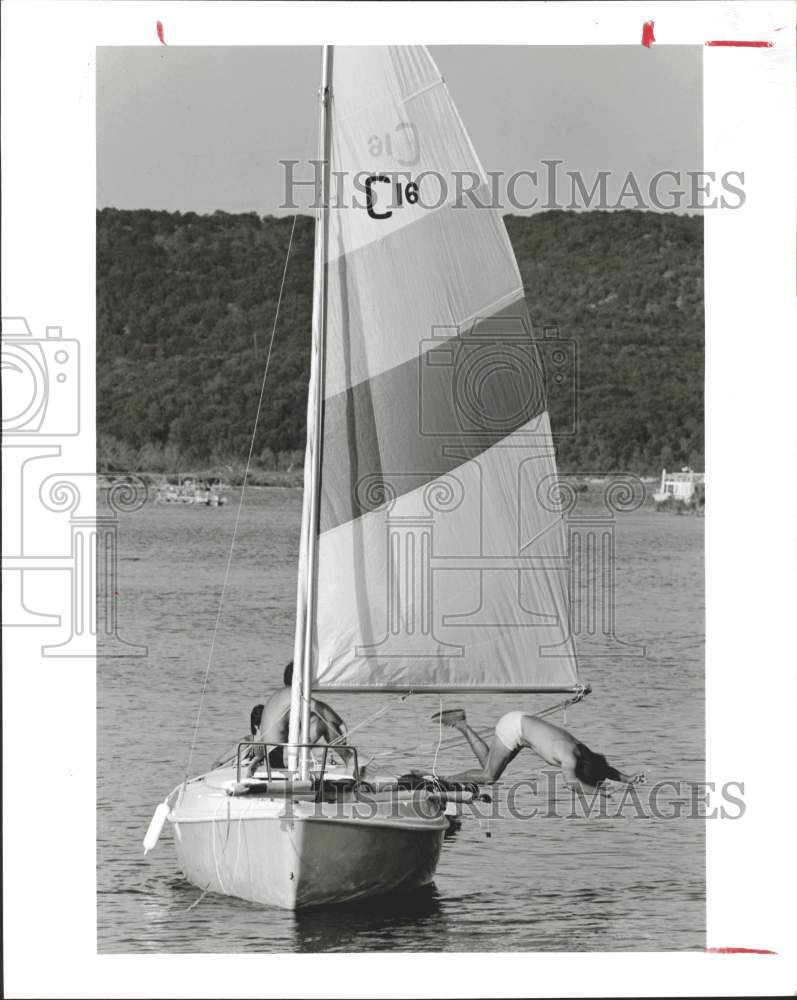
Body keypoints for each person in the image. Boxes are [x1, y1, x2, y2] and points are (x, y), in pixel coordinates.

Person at [433, 708, 644, 792]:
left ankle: (461, 723)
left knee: (488, 764)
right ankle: (443, 781)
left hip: (520, 725)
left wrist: (627, 779)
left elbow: (603, 768)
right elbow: (571, 783)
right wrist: (596, 792)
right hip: (515, 727)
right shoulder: (569, 756)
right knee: (488, 776)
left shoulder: (584, 753)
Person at [246, 661, 350, 777]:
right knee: (324, 724)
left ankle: (349, 758)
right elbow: (318, 706)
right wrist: (340, 723)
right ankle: (350, 761)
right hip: (278, 756)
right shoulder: (292, 693)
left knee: (315, 719)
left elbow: (311, 717)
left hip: (273, 755)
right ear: (299, 680)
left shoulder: (282, 696)